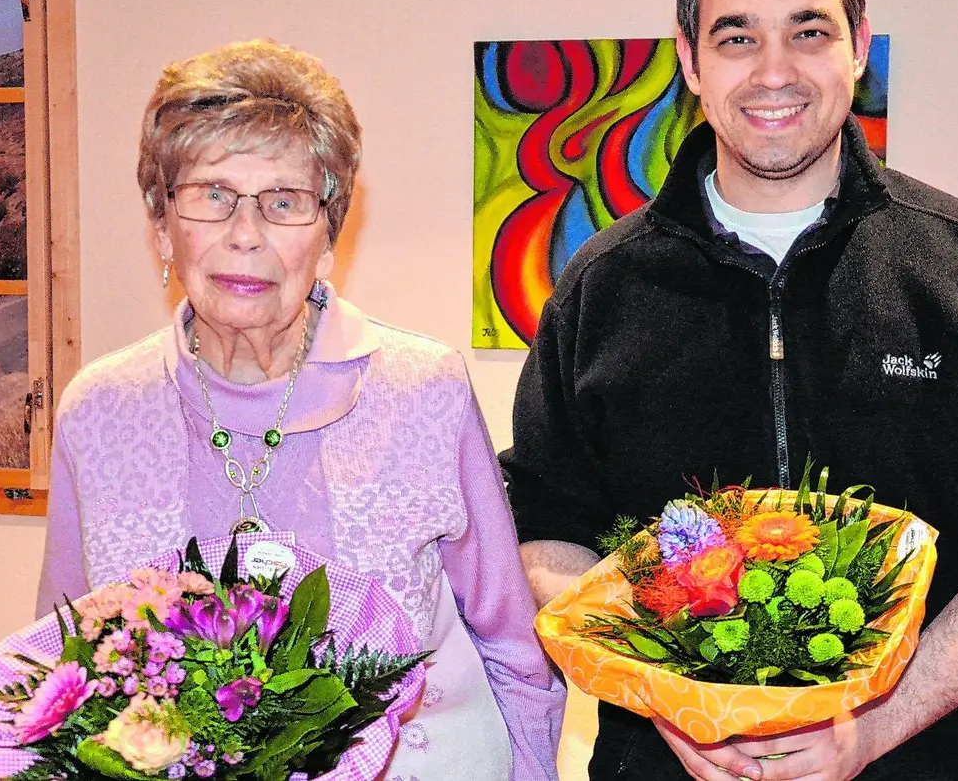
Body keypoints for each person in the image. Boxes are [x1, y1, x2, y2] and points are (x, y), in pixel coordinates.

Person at [501, 0, 958, 781]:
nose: (773, 70)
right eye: (737, 36)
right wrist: (674, 699)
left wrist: (879, 722)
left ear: (859, 48)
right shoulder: (602, 287)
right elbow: (545, 531)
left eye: (809, 30)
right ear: (691, 62)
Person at [36, 39, 566, 780]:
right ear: (163, 225)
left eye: (283, 202)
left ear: (327, 234)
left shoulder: (423, 388)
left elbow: (514, 648)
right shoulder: (99, 409)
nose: (245, 234)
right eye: (211, 195)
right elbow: (62, 671)